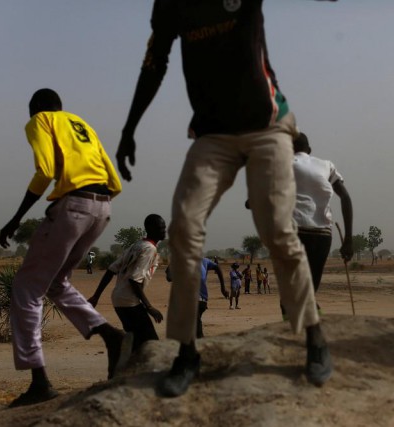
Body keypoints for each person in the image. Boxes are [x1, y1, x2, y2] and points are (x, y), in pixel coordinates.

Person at [116, 0, 336, 397]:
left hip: (266, 125)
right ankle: (186, 352)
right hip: (212, 134)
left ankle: (314, 335)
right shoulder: (170, 5)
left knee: (278, 231)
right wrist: (129, 128)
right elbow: (154, 63)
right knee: (182, 231)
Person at [0, 88, 130, 407]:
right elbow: (115, 180)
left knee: (27, 288)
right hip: (103, 207)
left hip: (74, 207)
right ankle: (111, 336)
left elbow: (45, 170)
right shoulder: (81, 125)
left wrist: (15, 219)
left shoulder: (41, 120)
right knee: (55, 283)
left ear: (38, 108)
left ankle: (39, 381)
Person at [88, 214, 167, 352]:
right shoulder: (149, 249)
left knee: (138, 343)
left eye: (164, 227)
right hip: (130, 301)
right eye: (161, 228)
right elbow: (134, 280)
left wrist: (96, 296)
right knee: (152, 345)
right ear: (150, 229)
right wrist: (149, 307)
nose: (164, 231)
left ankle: (125, 367)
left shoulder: (136, 245)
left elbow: (111, 270)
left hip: (118, 300)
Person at [290, 132, 353, 303]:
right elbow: (346, 198)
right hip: (323, 235)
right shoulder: (326, 165)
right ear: (309, 149)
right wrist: (348, 239)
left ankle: (297, 326)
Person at [165, 257, 228, 339]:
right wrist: (222, 288)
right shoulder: (203, 260)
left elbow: (169, 277)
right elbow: (169, 277)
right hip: (201, 300)